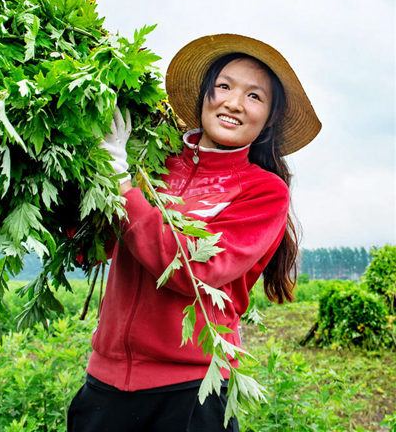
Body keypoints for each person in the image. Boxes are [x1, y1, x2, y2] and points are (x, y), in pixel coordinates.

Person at [67, 34, 321, 432]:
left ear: (269, 117)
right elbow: (94, 250)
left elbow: (192, 272)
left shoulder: (263, 191)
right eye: (223, 86)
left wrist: (121, 184)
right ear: (205, 95)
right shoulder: (151, 164)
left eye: (254, 96)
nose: (234, 103)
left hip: (191, 391)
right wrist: (81, 175)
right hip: (105, 386)